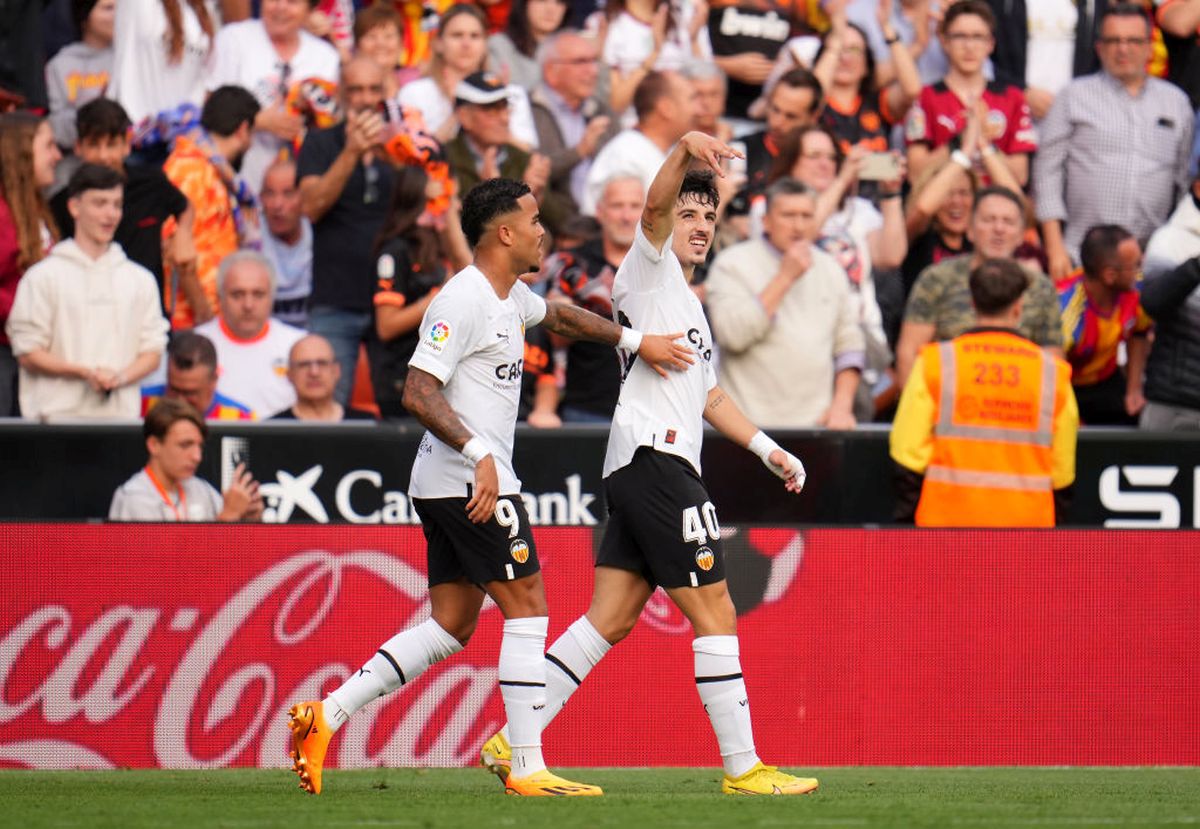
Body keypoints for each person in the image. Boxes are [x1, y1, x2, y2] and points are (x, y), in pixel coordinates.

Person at [285, 176, 692, 797]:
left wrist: (636, 341)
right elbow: (417, 389)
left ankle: (327, 715)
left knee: (451, 623)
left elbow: (556, 313)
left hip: (452, 480)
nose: (542, 231)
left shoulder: (510, 296)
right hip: (468, 481)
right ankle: (526, 766)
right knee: (529, 606)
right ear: (505, 233)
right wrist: (478, 454)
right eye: (532, 221)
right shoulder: (464, 299)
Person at [477, 134, 820, 796]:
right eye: (691, 215)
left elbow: (711, 394)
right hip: (657, 458)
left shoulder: (690, 305)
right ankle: (744, 767)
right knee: (716, 607)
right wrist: (684, 149)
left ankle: (512, 739)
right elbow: (656, 206)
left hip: (642, 462)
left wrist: (769, 449)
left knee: (610, 617)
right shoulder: (647, 267)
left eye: (710, 218)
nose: (699, 226)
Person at [890, 258, 1078, 527]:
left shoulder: (936, 363)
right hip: (1027, 530)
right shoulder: (1053, 374)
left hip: (945, 526)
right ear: (1018, 308)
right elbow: (1063, 472)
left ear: (972, 304)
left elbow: (906, 453)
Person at [1035, 4, 1194, 280]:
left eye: (1133, 40)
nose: (1124, 49)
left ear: (1149, 46)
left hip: (1150, 261)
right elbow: (1047, 172)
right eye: (1114, 40)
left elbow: (1183, 183)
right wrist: (1054, 247)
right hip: (1079, 257)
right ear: (1099, 47)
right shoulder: (1073, 96)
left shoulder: (1176, 103)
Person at [6, 163, 168, 420]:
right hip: (54, 422)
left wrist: (119, 377)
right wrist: (84, 373)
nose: (110, 214)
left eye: (116, 204)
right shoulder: (43, 277)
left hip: (119, 422)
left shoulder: (140, 280)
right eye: (100, 203)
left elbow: (153, 351)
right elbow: (27, 352)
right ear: (74, 207)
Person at [707, 177, 864, 429]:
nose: (798, 225)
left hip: (816, 427)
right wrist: (785, 277)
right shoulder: (732, 264)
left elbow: (850, 345)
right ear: (765, 221)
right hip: (746, 429)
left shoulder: (831, 269)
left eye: (806, 216)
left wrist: (842, 407)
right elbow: (732, 336)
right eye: (788, 215)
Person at [298, 56, 396, 405]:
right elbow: (311, 206)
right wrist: (352, 151)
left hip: (394, 301)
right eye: (355, 89)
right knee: (325, 403)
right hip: (335, 299)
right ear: (340, 93)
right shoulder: (320, 143)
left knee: (401, 406)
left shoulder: (401, 147)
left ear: (386, 94)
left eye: (373, 89)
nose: (365, 98)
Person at [896, 186, 1064, 386]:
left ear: (1021, 235)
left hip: (1017, 403)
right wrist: (918, 406)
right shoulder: (937, 278)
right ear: (970, 230)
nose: (999, 229)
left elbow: (1053, 361)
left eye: (1008, 222)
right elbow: (909, 351)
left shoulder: (1039, 287)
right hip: (948, 401)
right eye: (988, 220)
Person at [51, 99, 196, 318]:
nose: (103, 156)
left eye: (111, 144)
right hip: (88, 317)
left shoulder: (152, 184)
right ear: (78, 147)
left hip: (148, 314)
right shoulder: (62, 203)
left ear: (127, 145)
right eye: (93, 145)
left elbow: (184, 206)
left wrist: (183, 235)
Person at [538, 174, 645, 424]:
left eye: (634, 206)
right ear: (600, 212)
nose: (626, 216)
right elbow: (554, 335)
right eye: (618, 206)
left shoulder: (665, 264)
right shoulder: (571, 263)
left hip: (649, 411)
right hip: (586, 407)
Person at [205, 0, 341, 193]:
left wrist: (310, 117)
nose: (281, 7)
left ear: (310, 10)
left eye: (292, 2)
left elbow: (332, 129)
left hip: (298, 190)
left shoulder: (325, 57)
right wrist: (257, 120)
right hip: (236, 181)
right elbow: (209, 109)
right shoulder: (234, 39)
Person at [904, 0, 1036, 188]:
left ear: (990, 44)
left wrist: (983, 143)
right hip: (944, 206)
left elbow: (1020, 175)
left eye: (978, 37)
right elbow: (915, 173)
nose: (969, 46)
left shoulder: (1012, 97)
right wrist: (961, 139)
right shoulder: (926, 97)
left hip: (994, 208)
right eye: (960, 36)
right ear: (944, 40)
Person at [370, 165, 466, 419]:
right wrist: (437, 298)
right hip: (404, 382)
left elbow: (473, 276)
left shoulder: (441, 248)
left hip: (439, 379)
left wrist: (451, 224)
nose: (455, 207)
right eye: (446, 199)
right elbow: (386, 325)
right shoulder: (397, 251)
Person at [163, 85, 262, 329]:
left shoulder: (213, 171)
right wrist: (202, 312)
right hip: (191, 319)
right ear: (243, 129)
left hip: (212, 315)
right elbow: (175, 246)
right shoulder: (190, 170)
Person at [398, 4, 538, 148]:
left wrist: (496, 110)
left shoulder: (511, 93)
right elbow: (414, 155)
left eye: (475, 36)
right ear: (439, 43)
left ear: (485, 44)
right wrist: (459, 112)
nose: (466, 44)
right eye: (457, 35)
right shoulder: (414, 93)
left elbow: (528, 154)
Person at [1058, 225, 1152, 425]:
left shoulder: (1136, 290)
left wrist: (1133, 388)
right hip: (1068, 386)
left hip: (1107, 379)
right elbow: (1051, 370)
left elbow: (1140, 332)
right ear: (1110, 275)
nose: (1140, 273)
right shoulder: (1066, 311)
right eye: (1135, 266)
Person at [109, 398, 262, 521]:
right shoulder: (133, 497)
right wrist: (228, 517)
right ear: (154, 445)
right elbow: (162, 559)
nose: (197, 457)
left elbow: (233, 551)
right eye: (185, 445)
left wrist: (247, 520)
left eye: (199, 446)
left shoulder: (201, 489)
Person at [0, 112, 62, 416]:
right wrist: (28, 308)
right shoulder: (2, 215)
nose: (57, 155)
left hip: (29, 358)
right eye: (48, 146)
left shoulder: (32, 209)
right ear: (21, 152)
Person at [195, 250, 306, 418]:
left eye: (258, 294)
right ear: (220, 297)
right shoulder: (196, 344)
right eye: (237, 294)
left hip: (280, 442)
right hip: (222, 441)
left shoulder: (298, 345)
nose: (248, 305)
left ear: (272, 297)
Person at [529, 30, 620, 231]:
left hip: (603, 227)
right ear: (551, 71)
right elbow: (527, 175)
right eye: (581, 62)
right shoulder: (528, 111)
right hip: (550, 227)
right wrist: (578, 152)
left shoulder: (602, 112)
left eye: (593, 61)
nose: (593, 71)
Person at [813, 2, 922, 157]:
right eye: (840, 49)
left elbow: (912, 91)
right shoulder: (816, 107)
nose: (845, 58)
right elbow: (811, 96)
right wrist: (835, 42)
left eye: (854, 49)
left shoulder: (877, 102)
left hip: (873, 180)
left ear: (867, 64)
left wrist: (888, 30)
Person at [583, 70, 695, 215]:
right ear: (666, 108)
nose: (699, 110)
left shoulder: (663, 150)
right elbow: (619, 224)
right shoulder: (626, 155)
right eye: (692, 99)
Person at [445, 72, 551, 203]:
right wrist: (489, 195)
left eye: (505, 107)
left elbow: (562, 218)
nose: (505, 118)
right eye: (492, 111)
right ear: (464, 116)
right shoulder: (444, 161)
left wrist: (535, 195)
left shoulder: (524, 160)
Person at [599, 0, 712, 123]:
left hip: (684, 125)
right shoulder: (608, 23)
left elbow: (709, 84)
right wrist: (655, 53)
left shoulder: (686, 13)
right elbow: (616, 104)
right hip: (635, 127)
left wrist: (693, 40)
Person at [110, 0, 215, 130]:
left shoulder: (202, 7)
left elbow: (204, 77)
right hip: (136, 127)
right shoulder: (136, 4)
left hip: (182, 133)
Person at [706, 0, 809, 126]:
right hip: (718, 112)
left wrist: (780, 71)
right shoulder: (715, 5)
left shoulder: (793, 5)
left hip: (771, 116)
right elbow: (683, 53)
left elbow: (804, 43)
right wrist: (725, 65)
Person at [736, 67, 823, 206]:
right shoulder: (739, 152)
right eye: (775, 109)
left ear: (813, 118)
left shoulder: (825, 162)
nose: (777, 122)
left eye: (791, 116)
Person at [45, 0, 115, 156]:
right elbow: (57, 126)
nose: (115, 15)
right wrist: (91, 118)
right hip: (74, 161)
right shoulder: (60, 64)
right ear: (85, 15)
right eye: (108, 8)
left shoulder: (127, 60)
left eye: (119, 8)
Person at [141, 330, 255, 420]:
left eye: (190, 393)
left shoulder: (241, 420)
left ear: (214, 381)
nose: (180, 401)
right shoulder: (140, 404)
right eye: (174, 390)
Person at [259, 157, 313, 328]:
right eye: (269, 193)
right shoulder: (247, 237)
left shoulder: (321, 233)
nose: (277, 204)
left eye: (288, 193)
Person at [273, 333, 377, 421]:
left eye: (322, 363)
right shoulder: (273, 430)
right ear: (289, 375)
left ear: (337, 371)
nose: (314, 372)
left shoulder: (365, 425)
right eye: (304, 365)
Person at [488, 0, 569, 90]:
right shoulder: (499, 46)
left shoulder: (576, 51)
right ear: (524, 4)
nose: (551, 9)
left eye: (559, 2)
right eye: (542, 1)